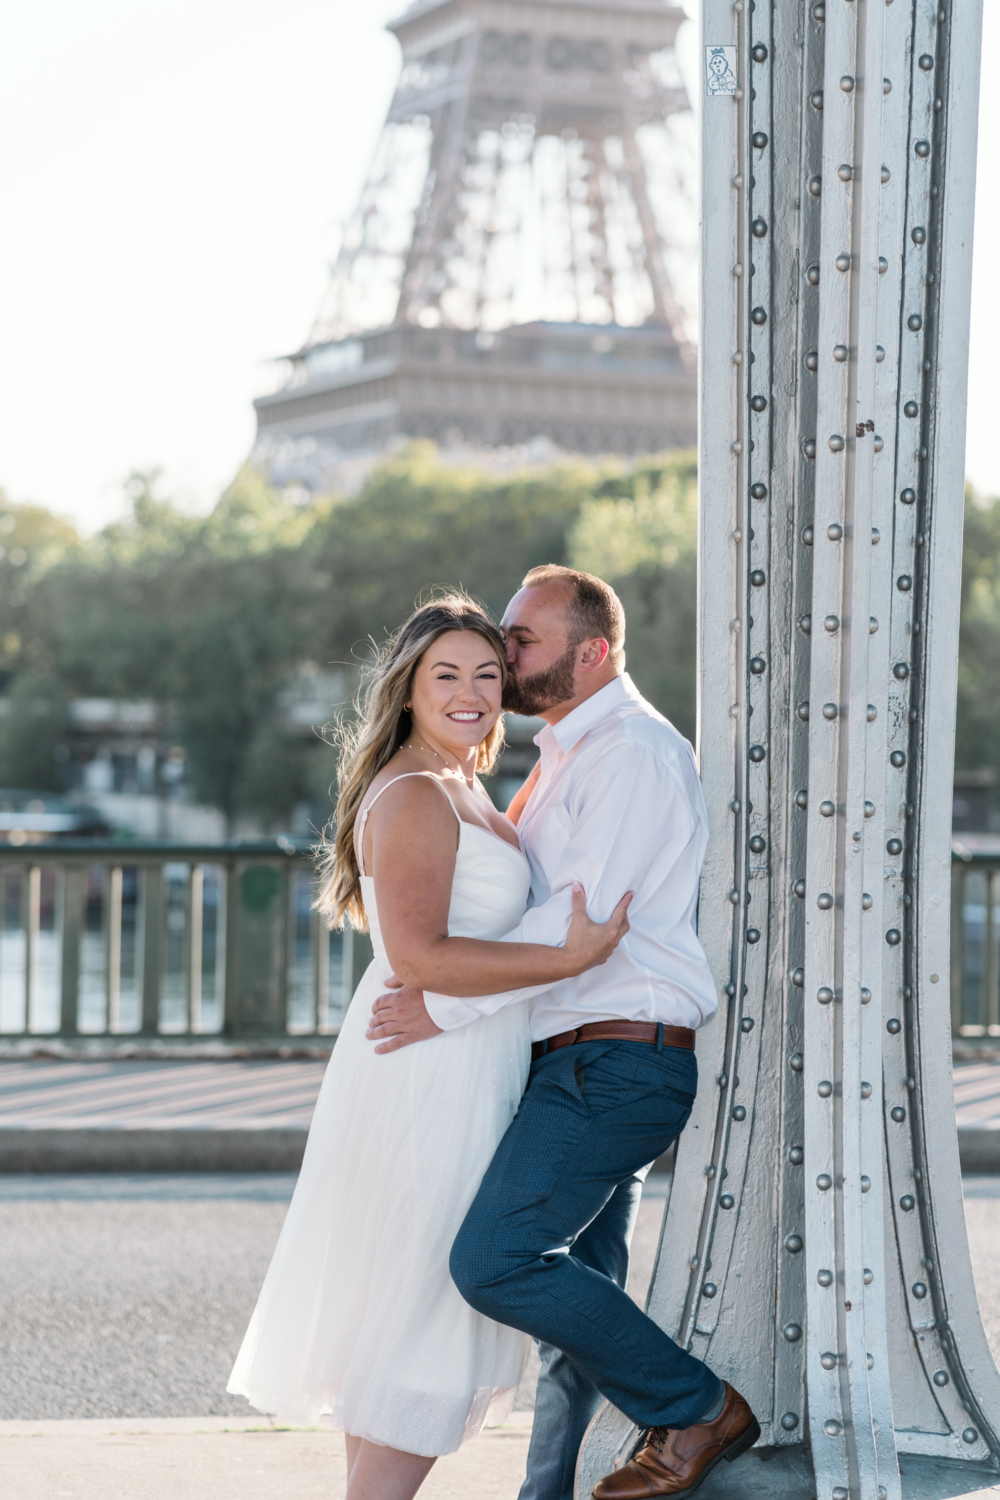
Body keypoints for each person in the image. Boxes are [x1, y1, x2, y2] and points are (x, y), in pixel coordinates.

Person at [367, 565, 760, 1500]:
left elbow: (579, 930)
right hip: (576, 1060)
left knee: (495, 1261)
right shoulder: (562, 758)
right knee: (580, 1309)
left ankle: (696, 1409)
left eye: (523, 639)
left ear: (593, 653)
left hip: (614, 1060)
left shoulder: (629, 752)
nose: (505, 653)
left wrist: (443, 1001)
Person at [227, 594, 632, 1500]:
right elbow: (416, 957)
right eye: (446, 674)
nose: (472, 692)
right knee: (425, 1330)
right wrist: (561, 958)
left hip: (462, 1062)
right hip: (427, 1081)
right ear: (407, 689)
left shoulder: (462, 785)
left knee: (404, 1327)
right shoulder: (413, 791)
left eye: (487, 674)